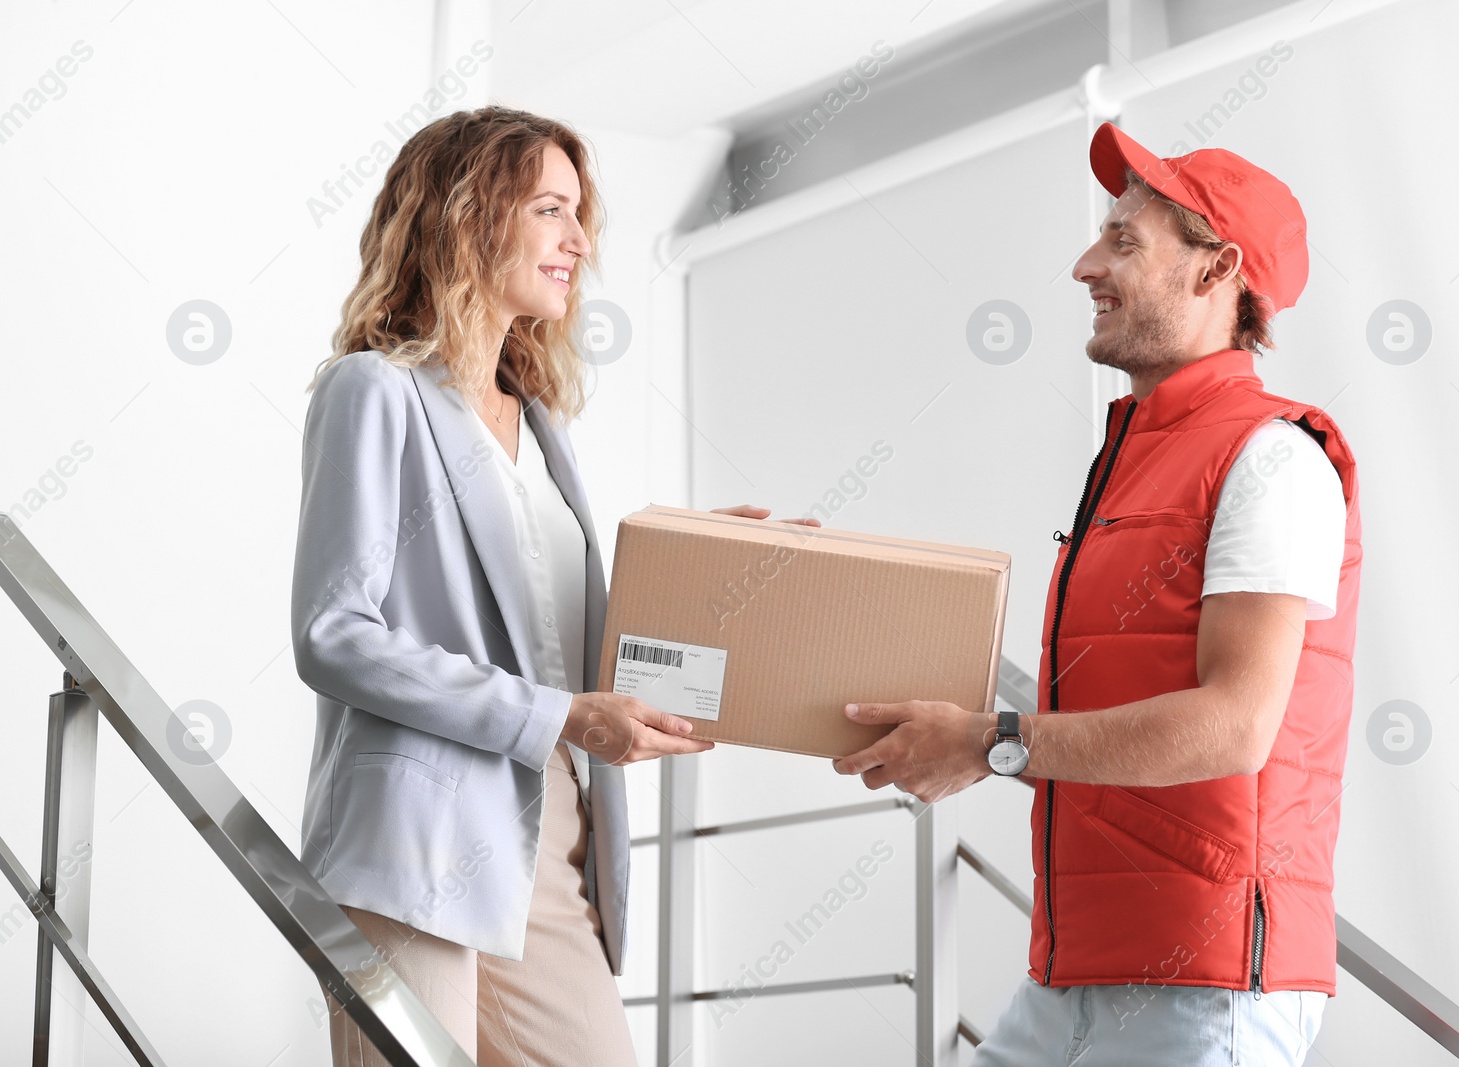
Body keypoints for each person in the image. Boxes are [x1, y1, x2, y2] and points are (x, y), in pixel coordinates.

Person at [289, 105, 811, 1066]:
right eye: (550, 209)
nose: (580, 240)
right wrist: (559, 718)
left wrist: (693, 569)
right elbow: (334, 634)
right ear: (466, 216)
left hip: (555, 827)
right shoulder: (373, 391)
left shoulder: (541, 428)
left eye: (581, 214)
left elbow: (551, 635)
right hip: (419, 835)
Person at [833, 122, 1360, 1066]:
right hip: (1078, 969)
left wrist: (993, 742)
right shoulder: (1135, 461)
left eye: (1124, 240)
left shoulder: (1272, 458)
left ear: (1217, 270)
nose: (1086, 265)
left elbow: (1233, 725)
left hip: (1205, 985)